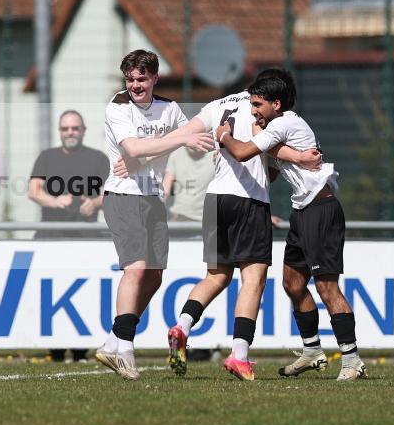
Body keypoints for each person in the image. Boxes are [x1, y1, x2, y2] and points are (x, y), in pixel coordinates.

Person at [117, 71, 321, 381]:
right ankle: (239, 355)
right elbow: (265, 149)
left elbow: (181, 135)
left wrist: (140, 159)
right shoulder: (265, 108)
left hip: (214, 199)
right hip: (248, 200)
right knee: (253, 279)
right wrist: (298, 158)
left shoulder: (216, 107)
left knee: (216, 276)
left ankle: (182, 326)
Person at [215, 67, 366, 381]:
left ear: (277, 104)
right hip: (303, 209)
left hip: (321, 209)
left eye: (257, 104)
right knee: (293, 284)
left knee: (326, 286)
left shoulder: (284, 123)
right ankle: (312, 351)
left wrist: (224, 136)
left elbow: (243, 153)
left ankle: (352, 359)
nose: (253, 110)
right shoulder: (278, 126)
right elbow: (269, 172)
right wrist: (288, 158)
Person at [94, 50, 215, 380]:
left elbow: (190, 138)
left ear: (154, 78)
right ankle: (126, 350)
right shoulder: (118, 106)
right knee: (134, 270)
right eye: (130, 79)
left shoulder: (170, 108)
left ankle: (112, 341)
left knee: (155, 275)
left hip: (153, 198)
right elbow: (132, 148)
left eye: (141, 79)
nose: (135, 85)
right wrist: (165, 144)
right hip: (123, 195)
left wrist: (150, 155)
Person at [29, 109, 109, 363]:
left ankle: (79, 348)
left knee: (83, 292)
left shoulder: (98, 158)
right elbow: (34, 191)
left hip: (85, 238)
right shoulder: (47, 157)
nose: (70, 133)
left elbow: (113, 191)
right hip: (51, 237)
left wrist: (95, 204)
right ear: (59, 131)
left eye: (75, 128)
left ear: (83, 130)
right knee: (50, 292)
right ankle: (54, 347)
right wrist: (54, 201)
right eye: (65, 129)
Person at [162, 146, 215, 225]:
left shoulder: (216, 155)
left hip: (207, 221)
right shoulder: (176, 153)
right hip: (179, 219)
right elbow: (166, 189)